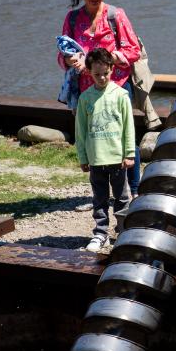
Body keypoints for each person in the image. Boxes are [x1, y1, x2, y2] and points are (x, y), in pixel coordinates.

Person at [59, 0, 148, 197]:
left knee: (126, 134)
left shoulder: (115, 15)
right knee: (93, 135)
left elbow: (133, 50)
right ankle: (104, 189)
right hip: (86, 90)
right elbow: (61, 56)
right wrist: (71, 59)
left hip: (117, 85)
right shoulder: (72, 18)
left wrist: (115, 58)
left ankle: (135, 189)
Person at [75, 48, 136, 253]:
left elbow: (129, 126)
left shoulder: (121, 95)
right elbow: (81, 131)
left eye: (105, 73)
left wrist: (129, 153)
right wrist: (83, 157)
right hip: (96, 159)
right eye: (96, 74)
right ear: (89, 73)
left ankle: (123, 232)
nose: (101, 78)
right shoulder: (85, 98)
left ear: (112, 69)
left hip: (117, 158)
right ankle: (100, 233)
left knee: (121, 197)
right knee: (99, 198)